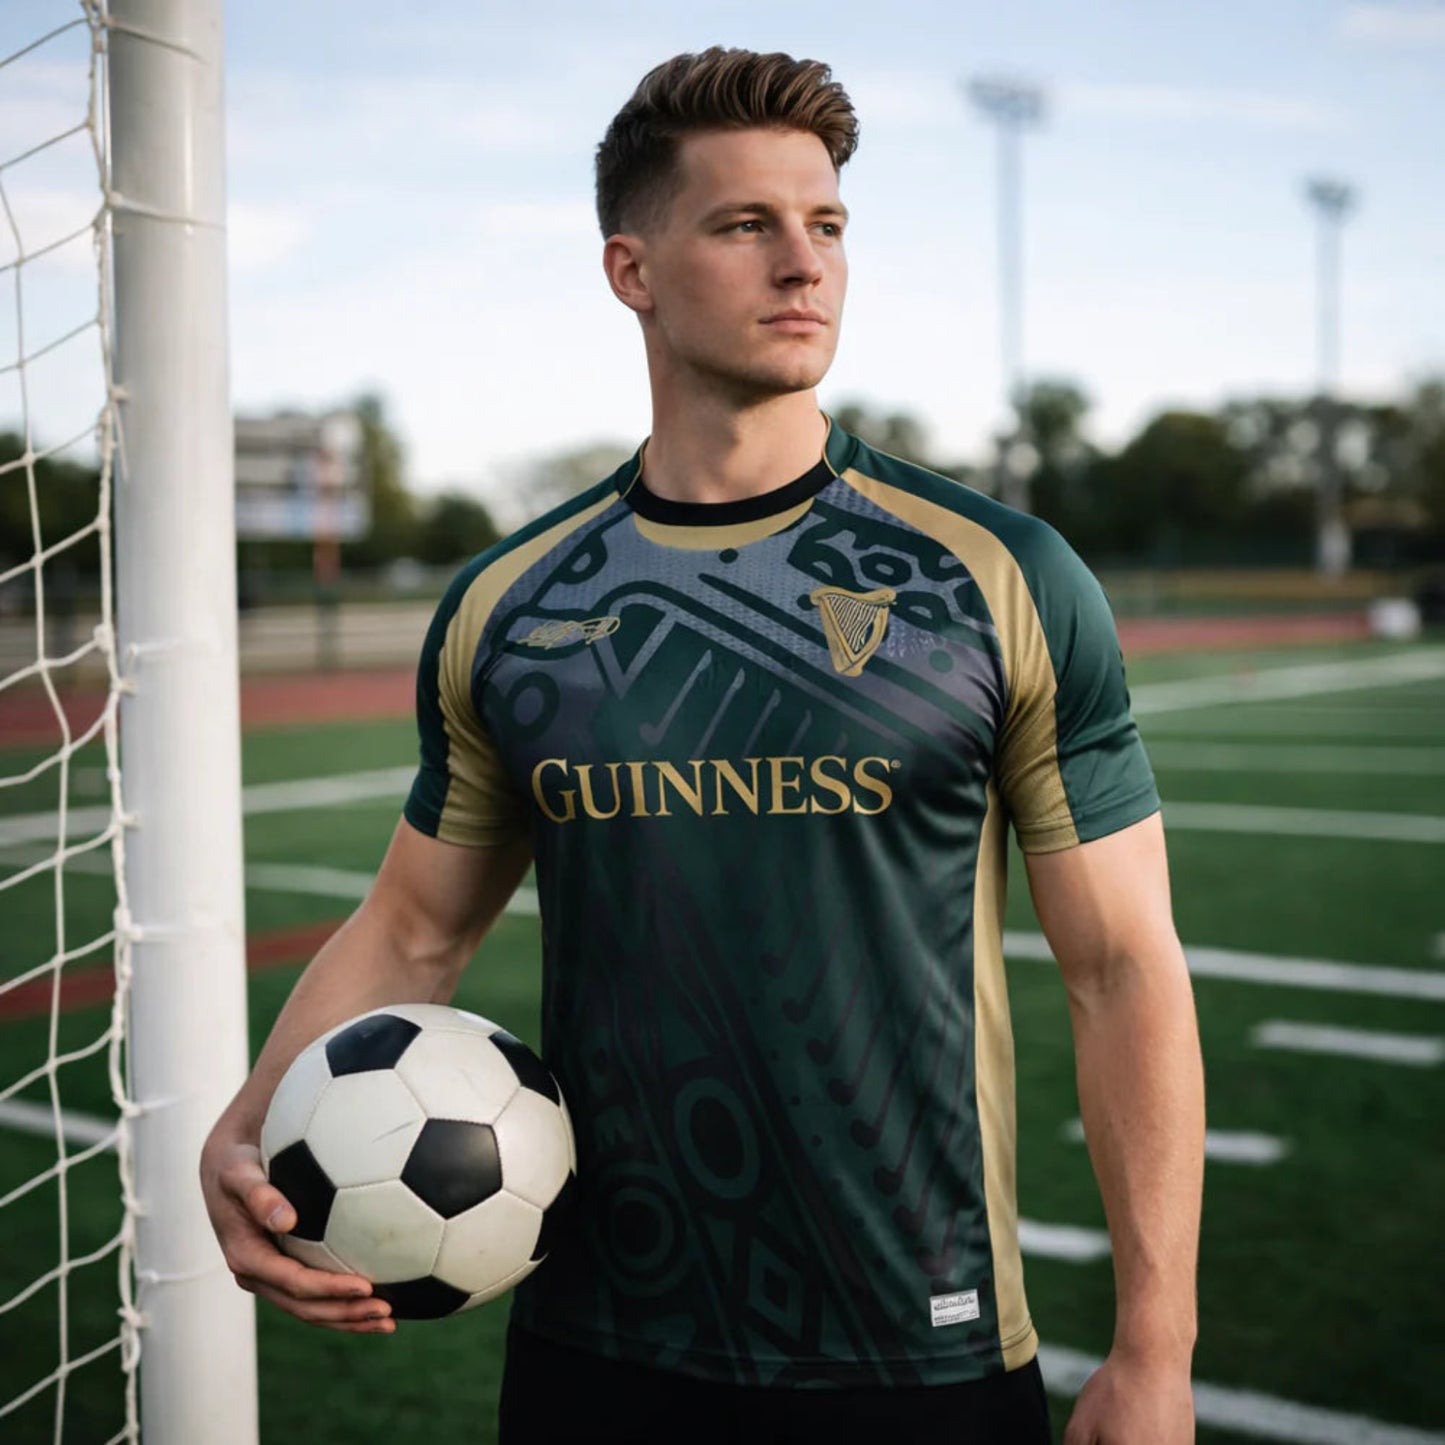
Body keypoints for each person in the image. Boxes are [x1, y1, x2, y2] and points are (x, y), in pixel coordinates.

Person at [202, 46, 1204, 1445]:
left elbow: (1120, 968)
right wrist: (245, 1125)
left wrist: (1154, 1346)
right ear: (632, 270)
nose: (804, 263)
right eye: (746, 225)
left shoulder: (1001, 578)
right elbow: (413, 926)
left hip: (919, 1340)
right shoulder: (513, 600)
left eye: (828, 224)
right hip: (598, 1342)